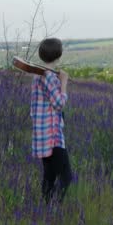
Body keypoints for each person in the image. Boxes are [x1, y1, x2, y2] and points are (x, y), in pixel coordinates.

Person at [30, 38, 72, 204]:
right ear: (58, 55)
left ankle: (45, 208)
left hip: (42, 135)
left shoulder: (38, 76)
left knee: (49, 176)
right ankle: (54, 208)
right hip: (52, 136)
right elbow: (59, 103)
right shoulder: (49, 77)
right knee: (66, 177)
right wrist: (64, 83)